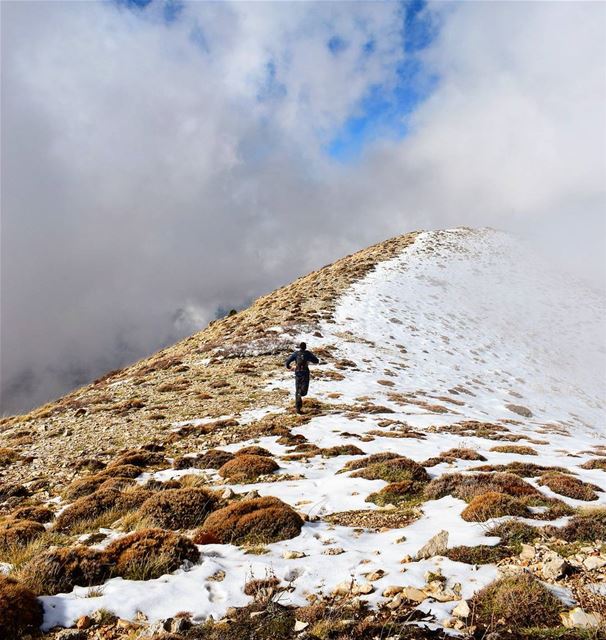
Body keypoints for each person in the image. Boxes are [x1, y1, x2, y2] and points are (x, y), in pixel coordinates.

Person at [285, 342, 319, 413]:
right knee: (304, 388)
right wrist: (310, 359)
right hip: (305, 371)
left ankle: (298, 408)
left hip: (297, 372)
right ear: (305, 347)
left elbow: (287, 362)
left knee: (297, 389)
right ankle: (301, 393)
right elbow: (316, 361)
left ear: (299, 347)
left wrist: (289, 367)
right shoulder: (307, 353)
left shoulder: (296, 353)